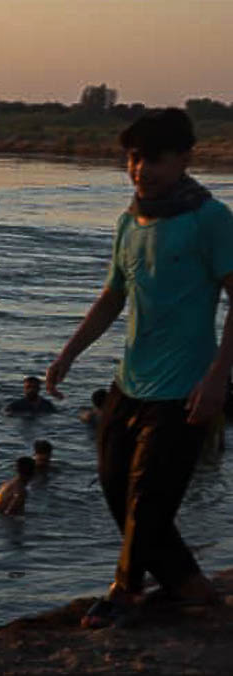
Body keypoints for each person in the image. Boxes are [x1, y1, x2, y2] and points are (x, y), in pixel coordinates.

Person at [43, 109, 233, 627]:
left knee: (149, 498)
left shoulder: (211, 220)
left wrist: (218, 378)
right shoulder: (129, 221)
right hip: (130, 381)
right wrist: (67, 354)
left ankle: (125, 593)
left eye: (152, 158)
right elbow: (112, 297)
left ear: (184, 158)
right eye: (132, 157)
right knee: (115, 487)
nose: (139, 168)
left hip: (187, 387)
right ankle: (190, 586)